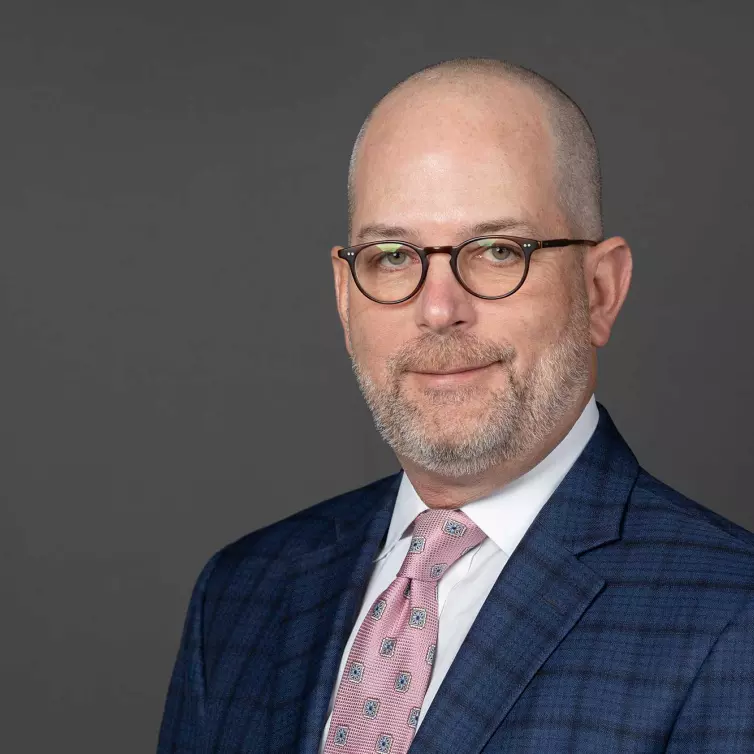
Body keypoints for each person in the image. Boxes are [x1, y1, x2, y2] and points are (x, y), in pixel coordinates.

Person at [157, 58, 754, 753]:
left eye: (499, 251)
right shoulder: (244, 593)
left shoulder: (732, 617)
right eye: (392, 256)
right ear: (346, 298)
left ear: (599, 289)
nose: (439, 310)